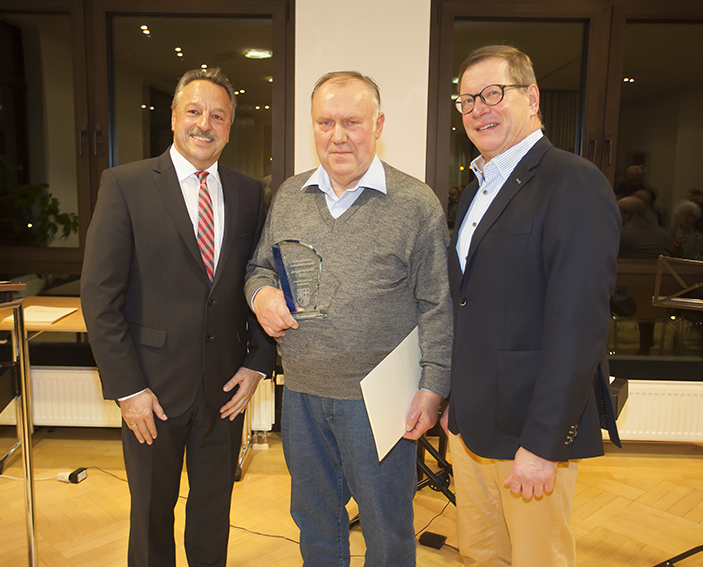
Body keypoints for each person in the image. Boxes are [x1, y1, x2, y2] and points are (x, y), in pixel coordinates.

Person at [245, 71, 452, 567]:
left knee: (387, 527)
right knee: (315, 521)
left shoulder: (415, 204)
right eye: (325, 122)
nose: (338, 136)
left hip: (381, 400)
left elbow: (438, 304)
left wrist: (434, 386)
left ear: (378, 124)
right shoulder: (290, 196)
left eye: (352, 122)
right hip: (301, 392)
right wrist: (261, 296)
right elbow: (258, 269)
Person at [80, 68, 276, 567]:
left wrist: (257, 363)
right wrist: (127, 389)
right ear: (172, 118)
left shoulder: (251, 192)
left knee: (213, 512)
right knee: (150, 513)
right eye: (194, 111)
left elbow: (261, 279)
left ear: (229, 128)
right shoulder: (124, 185)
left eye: (217, 115)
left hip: (225, 390)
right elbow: (100, 297)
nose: (204, 124)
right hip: (151, 391)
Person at [442, 45, 621, 567]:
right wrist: (457, 398)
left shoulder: (574, 182)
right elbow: (471, 305)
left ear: (532, 96)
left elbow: (579, 326)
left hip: (529, 430)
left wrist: (544, 443)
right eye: (467, 99)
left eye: (493, 93)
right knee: (480, 554)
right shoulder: (474, 191)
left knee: (537, 558)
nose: (479, 108)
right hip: (472, 425)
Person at [618, 196, 675, 355]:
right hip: (664, 301)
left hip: (630, 301)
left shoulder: (622, 236)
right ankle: (645, 344)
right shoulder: (664, 236)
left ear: (627, 214)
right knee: (648, 291)